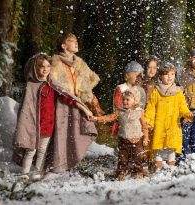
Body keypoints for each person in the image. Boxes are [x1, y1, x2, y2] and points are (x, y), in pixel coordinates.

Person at [12, 53, 92, 181]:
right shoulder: (30, 85)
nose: (45, 69)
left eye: (48, 66)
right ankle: (24, 173)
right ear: (35, 68)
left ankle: (38, 172)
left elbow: (67, 98)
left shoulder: (52, 84)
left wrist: (84, 109)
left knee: (42, 150)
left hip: (48, 124)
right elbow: (26, 109)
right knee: (30, 150)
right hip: (32, 124)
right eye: (42, 66)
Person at [48, 33, 102, 172]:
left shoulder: (79, 63)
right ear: (63, 45)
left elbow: (90, 79)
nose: (76, 43)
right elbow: (54, 84)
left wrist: (88, 95)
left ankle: (71, 159)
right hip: (62, 103)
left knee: (77, 132)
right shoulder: (55, 63)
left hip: (78, 102)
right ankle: (58, 164)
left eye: (76, 40)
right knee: (61, 133)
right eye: (72, 41)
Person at [91, 88, 149, 181]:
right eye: (124, 99)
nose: (125, 101)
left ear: (135, 101)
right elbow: (110, 117)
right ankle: (121, 172)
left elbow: (145, 126)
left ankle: (138, 172)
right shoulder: (120, 111)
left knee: (138, 157)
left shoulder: (139, 112)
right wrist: (97, 119)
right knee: (123, 158)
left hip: (137, 139)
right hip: (124, 139)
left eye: (128, 99)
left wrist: (146, 138)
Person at [145, 62, 194, 169]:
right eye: (166, 74)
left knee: (172, 147)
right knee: (158, 147)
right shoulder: (156, 91)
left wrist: (187, 113)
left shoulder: (178, 92)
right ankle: (158, 168)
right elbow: (151, 107)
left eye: (172, 74)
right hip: (160, 123)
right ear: (161, 76)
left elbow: (182, 106)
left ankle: (171, 168)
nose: (169, 77)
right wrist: (149, 121)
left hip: (173, 124)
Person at [111, 61, 146, 135]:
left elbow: (140, 105)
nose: (138, 78)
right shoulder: (121, 88)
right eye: (136, 75)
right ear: (127, 75)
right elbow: (117, 105)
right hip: (123, 119)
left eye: (139, 76)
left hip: (135, 120)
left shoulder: (138, 89)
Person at [141, 55, 159, 173]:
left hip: (155, 112)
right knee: (144, 137)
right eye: (149, 67)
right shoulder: (140, 82)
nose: (152, 70)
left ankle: (152, 160)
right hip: (143, 112)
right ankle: (142, 160)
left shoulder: (158, 82)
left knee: (154, 136)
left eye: (154, 68)